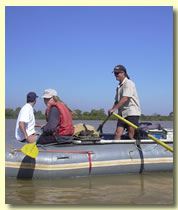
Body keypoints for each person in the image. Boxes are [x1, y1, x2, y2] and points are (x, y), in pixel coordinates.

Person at [108, 65, 141, 140]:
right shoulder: (119, 86)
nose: (115, 75)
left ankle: (134, 149)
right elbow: (117, 101)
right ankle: (116, 149)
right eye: (115, 73)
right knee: (117, 133)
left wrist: (114, 109)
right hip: (122, 114)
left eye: (117, 73)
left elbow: (125, 98)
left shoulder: (128, 83)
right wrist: (112, 109)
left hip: (131, 112)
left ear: (123, 73)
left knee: (130, 135)